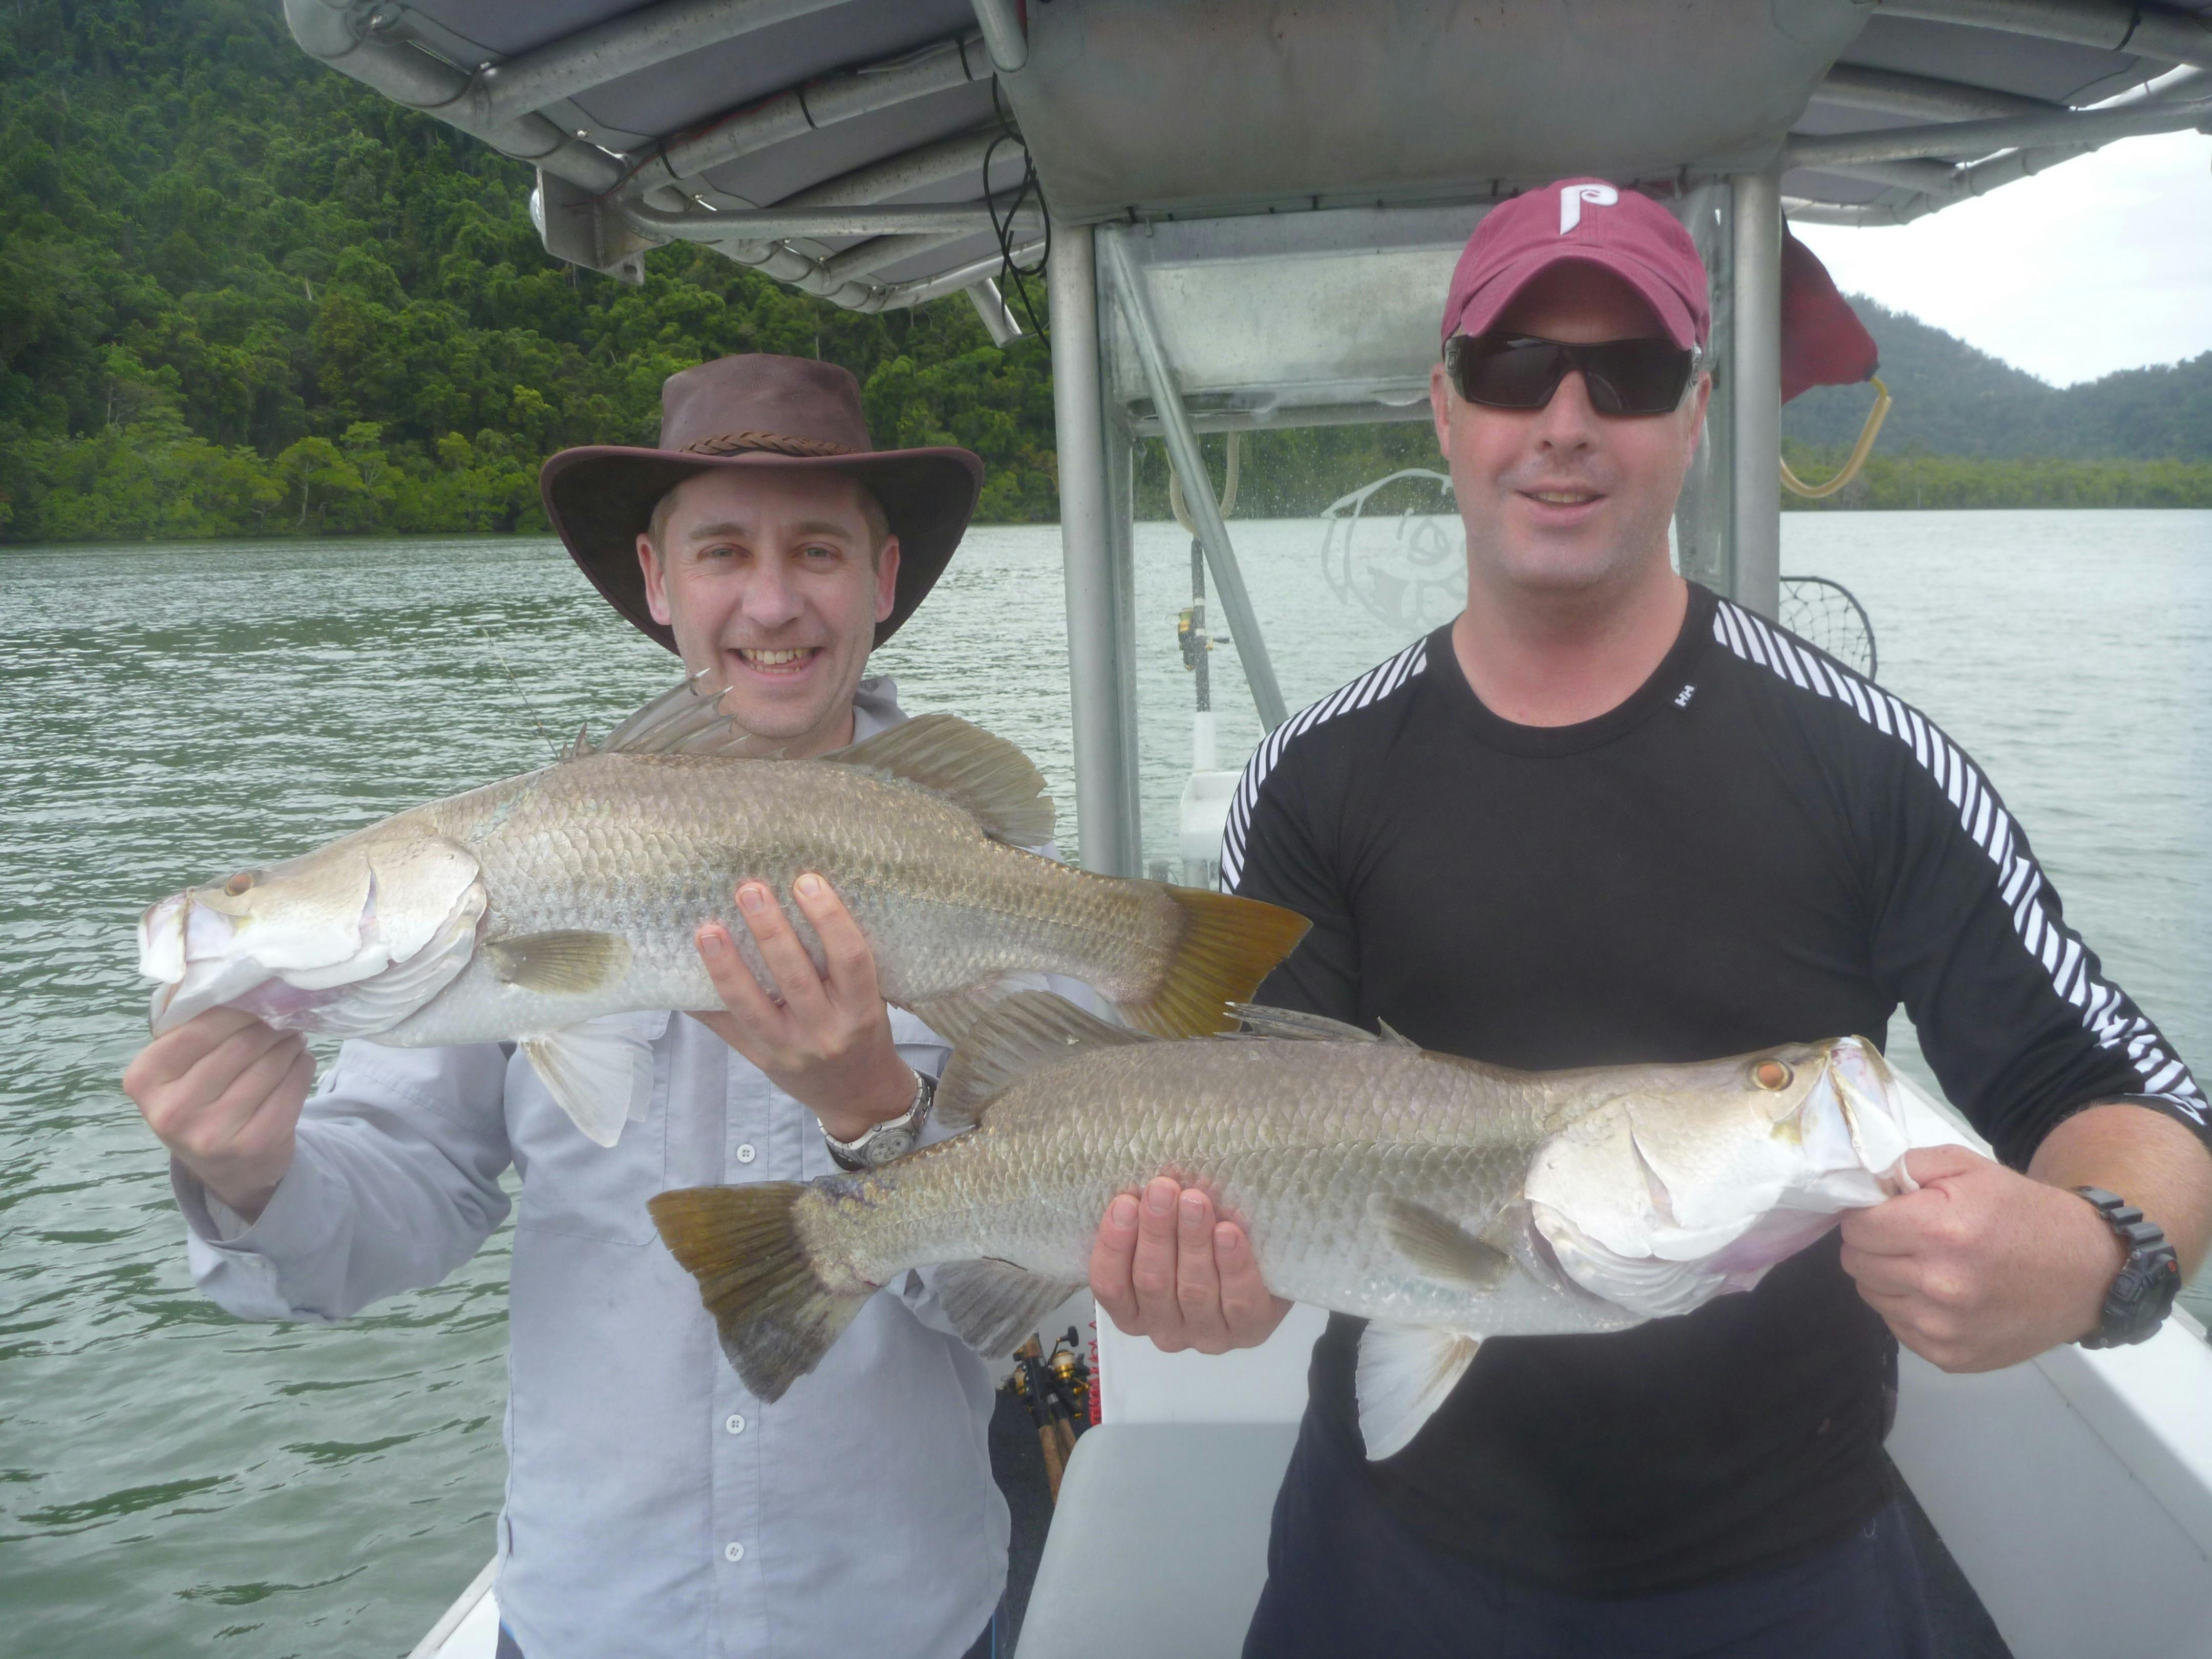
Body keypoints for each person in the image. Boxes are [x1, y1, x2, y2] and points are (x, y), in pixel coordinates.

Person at [1087, 180, 2211, 1656]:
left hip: (1786, 1561)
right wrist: (1205, 1278)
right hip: (1397, 1552)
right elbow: (1235, 1114)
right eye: (1512, 369)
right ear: (1445, 409)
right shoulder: (1318, 778)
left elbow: (2124, 1095)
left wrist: (2095, 1260)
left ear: (1694, 416)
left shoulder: (1863, 764)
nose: (1565, 421)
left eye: (1626, 377)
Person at [123, 355, 1019, 1659]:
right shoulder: (526, 856)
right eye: (721, 550)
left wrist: (878, 1117)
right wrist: (257, 1177)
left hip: (904, 1625)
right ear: (659, 583)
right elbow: (399, 1199)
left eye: (817, 549)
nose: (771, 600)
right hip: (593, 1622)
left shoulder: (983, 876)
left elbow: (1024, 1287)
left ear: (880, 581)